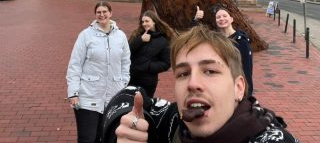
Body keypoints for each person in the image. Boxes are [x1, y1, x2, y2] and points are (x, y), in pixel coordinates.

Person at [101, 25, 299, 143]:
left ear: (239, 88)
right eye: (183, 73)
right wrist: (121, 127)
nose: (192, 83)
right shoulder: (170, 122)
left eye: (210, 71)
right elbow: (128, 94)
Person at [66, 0, 130, 143]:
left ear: (110, 13)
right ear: (95, 15)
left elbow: (126, 62)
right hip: (88, 96)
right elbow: (75, 64)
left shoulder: (121, 36)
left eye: (104, 12)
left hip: (113, 96)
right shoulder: (85, 35)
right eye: (98, 12)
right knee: (87, 138)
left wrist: (123, 83)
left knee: (107, 137)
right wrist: (73, 92)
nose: (102, 15)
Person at [193, 5, 254, 96]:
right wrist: (196, 20)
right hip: (219, 84)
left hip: (234, 86)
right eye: (218, 17)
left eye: (225, 16)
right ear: (216, 21)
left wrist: (246, 92)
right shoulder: (216, 39)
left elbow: (247, 68)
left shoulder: (242, 41)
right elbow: (196, 37)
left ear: (231, 19)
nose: (221, 19)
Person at [128, 10, 177, 97]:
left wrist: (149, 66)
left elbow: (166, 64)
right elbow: (127, 52)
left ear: (154, 22)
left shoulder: (163, 40)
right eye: (143, 22)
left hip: (148, 80)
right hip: (131, 78)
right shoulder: (137, 35)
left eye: (147, 21)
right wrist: (140, 40)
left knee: (145, 106)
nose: (144, 24)